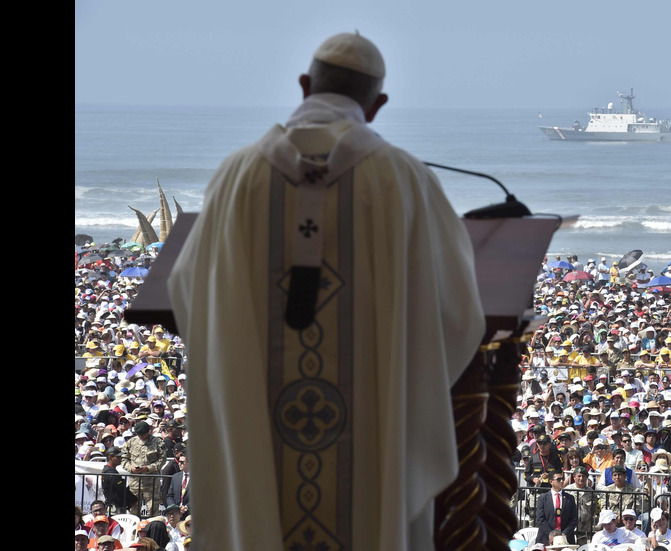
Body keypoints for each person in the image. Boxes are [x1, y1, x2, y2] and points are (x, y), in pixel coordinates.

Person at [167, 32, 485, 551]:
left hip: (259, 438)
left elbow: (190, 294)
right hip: (370, 456)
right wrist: (399, 388)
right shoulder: (402, 179)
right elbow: (457, 313)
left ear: (302, 85)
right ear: (377, 105)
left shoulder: (237, 177)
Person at [122, 420, 167, 515]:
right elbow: (123, 459)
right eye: (139, 434)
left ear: (148, 432)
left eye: (143, 434)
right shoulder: (131, 442)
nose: (141, 436)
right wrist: (131, 468)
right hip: (135, 482)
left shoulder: (157, 442)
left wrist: (148, 468)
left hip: (151, 482)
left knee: (153, 509)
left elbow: (162, 460)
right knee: (133, 508)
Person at [534, 471, 578, 545]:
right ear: (551, 481)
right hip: (546, 539)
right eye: (558, 479)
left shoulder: (570, 498)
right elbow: (540, 519)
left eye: (562, 479)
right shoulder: (543, 498)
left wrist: (564, 534)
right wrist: (551, 535)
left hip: (565, 539)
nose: (561, 481)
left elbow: (574, 519)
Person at [166, 452, 190, 517]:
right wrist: (174, 508)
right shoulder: (175, 477)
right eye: (179, 462)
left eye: (182, 462)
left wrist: (186, 507)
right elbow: (169, 496)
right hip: (176, 514)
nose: (179, 464)